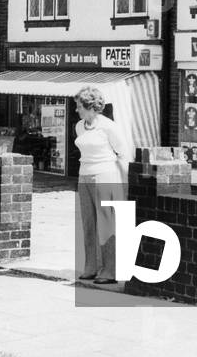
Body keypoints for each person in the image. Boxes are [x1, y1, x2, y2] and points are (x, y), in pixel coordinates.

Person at [73, 86, 131, 285]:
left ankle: (110, 270)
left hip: (106, 175)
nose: (77, 110)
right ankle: (91, 267)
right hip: (84, 176)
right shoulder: (79, 126)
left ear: (91, 107)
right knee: (88, 224)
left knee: (107, 225)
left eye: (79, 106)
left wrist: (124, 183)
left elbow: (124, 153)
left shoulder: (108, 126)